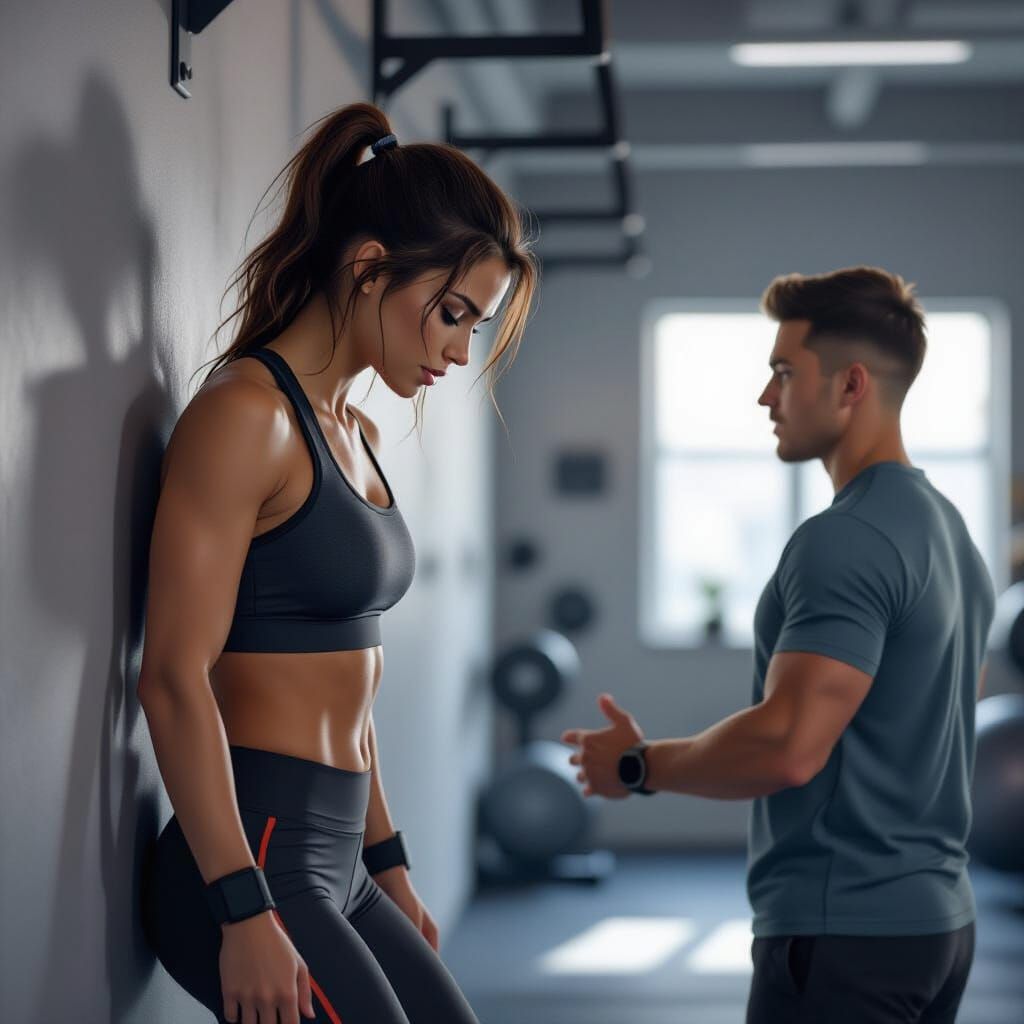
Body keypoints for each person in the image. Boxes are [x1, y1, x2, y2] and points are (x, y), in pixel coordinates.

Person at [138, 101, 537, 1024]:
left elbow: (349, 687)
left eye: (475, 324)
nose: (459, 349)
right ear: (367, 269)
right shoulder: (247, 418)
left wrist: (387, 865)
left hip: (336, 857)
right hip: (255, 856)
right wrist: (242, 907)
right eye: (452, 313)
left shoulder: (351, 430)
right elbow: (170, 677)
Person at [561, 266, 996, 1024]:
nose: (767, 398)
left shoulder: (845, 541)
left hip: (845, 931)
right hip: (939, 926)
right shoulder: (951, 532)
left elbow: (787, 748)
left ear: (850, 385)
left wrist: (638, 765)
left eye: (784, 374)